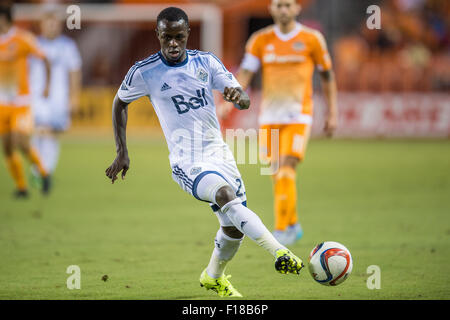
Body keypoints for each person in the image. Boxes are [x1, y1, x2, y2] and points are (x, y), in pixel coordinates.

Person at [105, 7, 304, 298]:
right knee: (226, 196)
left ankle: (213, 277)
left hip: (219, 154)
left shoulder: (206, 63)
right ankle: (280, 252)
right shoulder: (144, 72)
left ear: (187, 35)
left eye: (179, 37)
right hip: (187, 161)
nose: (173, 44)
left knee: (233, 227)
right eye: (167, 37)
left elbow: (243, 98)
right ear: (157, 35)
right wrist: (122, 151)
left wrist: (238, 97)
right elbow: (119, 103)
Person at [232, 0, 338, 245]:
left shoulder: (312, 39)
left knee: (286, 170)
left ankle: (280, 231)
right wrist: (232, 97)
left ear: (296, 9)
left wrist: (333, 113)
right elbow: (246, 72)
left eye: (287, 5)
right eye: (278, 5)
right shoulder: (260, 40)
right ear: (271, 9)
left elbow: (327, 75)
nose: (283, 10)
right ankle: (293, 224)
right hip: (269, 119)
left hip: (298, 116)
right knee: (277, 174)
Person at [0, 2, 51, 197]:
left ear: (3, 19)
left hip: (21, 103)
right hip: (2, 105)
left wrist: (46, 85)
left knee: (20, 142)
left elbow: (44, 59)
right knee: (7, 148)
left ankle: (44, 173)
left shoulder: (22, 39)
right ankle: (21, 187)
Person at [29, 7, 82, 186]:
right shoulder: (32, 44)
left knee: (52, 134)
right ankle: (39, 171)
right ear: (42, 25)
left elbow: (75, 72)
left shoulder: (68, 46)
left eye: (54, 23)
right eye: (48, 23)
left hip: (59, 98)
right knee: (37, 131)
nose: (51, 26)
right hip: (37, 98)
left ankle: (45, 172)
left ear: (59, 25)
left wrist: (74, 97)